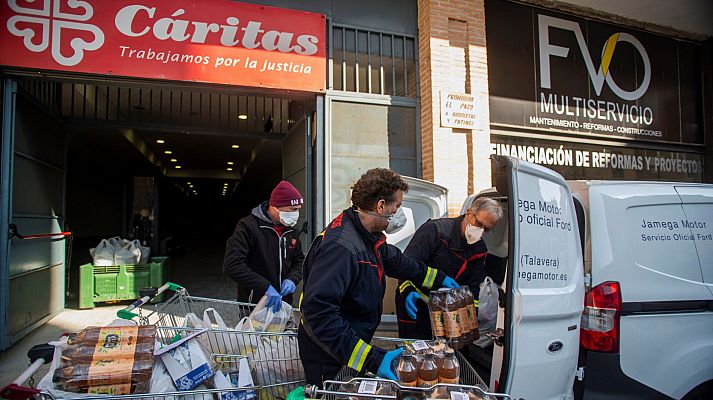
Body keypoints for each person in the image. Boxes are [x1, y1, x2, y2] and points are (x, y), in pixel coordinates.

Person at [297, 168, 460, 386]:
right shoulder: (342, 248)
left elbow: (398, 262)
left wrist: (437, 278)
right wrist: (374, 359)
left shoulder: (366, 235)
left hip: (347, 345)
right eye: (398, 206)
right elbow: (319, 314)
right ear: (381, 206)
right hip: (329, 354)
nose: (400, 213)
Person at [395, 196, 505, 339]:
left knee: (440, 353)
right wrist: (407, 289)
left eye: (486, 229)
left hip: (445, 312)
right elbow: (407, 264)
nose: (480, 231)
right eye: (478, 223)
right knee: (414, 351)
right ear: (469, 213)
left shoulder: (479, 249)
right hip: (416, 302)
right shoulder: (436, 230)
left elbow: (473, 287)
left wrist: (472, 313)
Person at [223, 180, 304, 311]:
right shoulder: (248, 227)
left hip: (284, 304)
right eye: (292, 209)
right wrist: (265, 287)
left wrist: (292, 279)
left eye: (298, 210)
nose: (296, 214)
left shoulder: (291, 231)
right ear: (275, 206)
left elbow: (299, 261)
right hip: (254, 305)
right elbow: (232, 265)